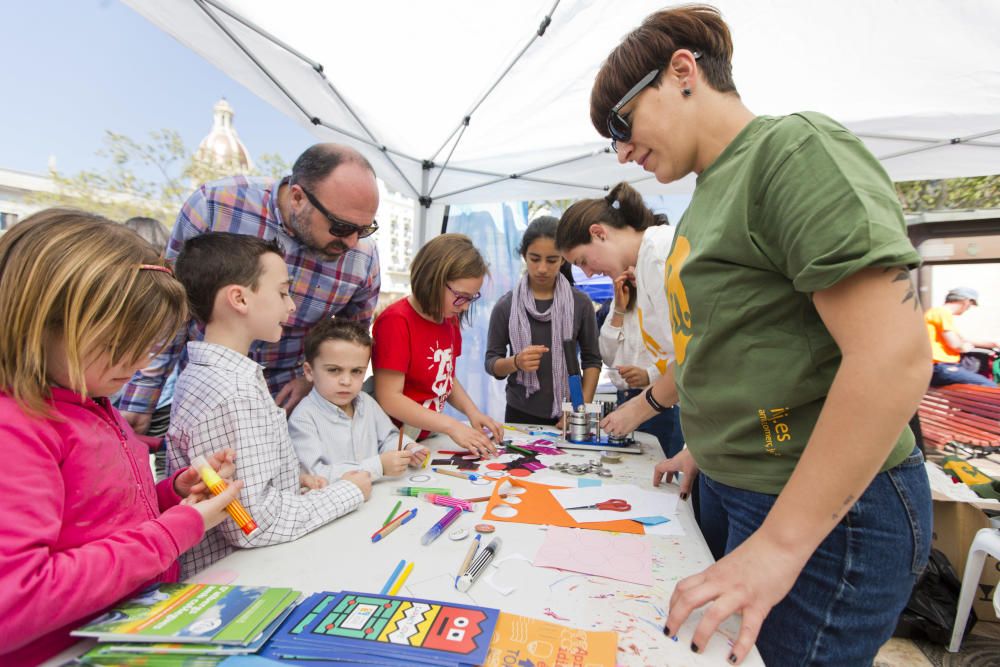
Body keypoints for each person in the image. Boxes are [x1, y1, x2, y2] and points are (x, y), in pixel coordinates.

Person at [591, 6, 932, 665]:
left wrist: (779, 546)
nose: (623, 153)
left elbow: (892, 356)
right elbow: (726, 345)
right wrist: (709, 448)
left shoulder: (791, 151)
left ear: (682, 72)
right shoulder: (707, 196)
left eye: (621, 125)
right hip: (737, 489)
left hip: (822, 515)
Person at [0, 210, 242, 665]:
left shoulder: (90, 398)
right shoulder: (17, 429)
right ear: (39, 322)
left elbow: (94, 518)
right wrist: (177, 530)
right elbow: (15, 600)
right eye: (116, 345)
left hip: (124, 633)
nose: (134, 364)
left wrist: (171, 495)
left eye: (147, 347)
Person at [119, 143, 382, 434]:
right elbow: (170, 308)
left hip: (289, 406)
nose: (352, 243)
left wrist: (310, 378)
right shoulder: (216, 205)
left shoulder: (363, 258)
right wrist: (142, 398)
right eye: (342, 227)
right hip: (208, 395)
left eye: (365, 229)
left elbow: (350, 339)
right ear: (298, 198)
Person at [166, 232, 372, 577]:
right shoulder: (233, 391)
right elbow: (255, 522)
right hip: (238, 576)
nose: (291, 306)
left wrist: (291, 480)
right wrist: (348, 492)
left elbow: (249, 483)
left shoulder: (212, 374)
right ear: (240, 299)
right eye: (282, 293)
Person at [557, 183, 679, 457]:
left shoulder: (660, 255)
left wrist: (640, 406)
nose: (588, 274)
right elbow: (611, 355)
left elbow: (695, 357)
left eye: (583, 261)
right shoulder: (642, 266)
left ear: (598, 233)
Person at [373, 233, 503, 457]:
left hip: (425, 437)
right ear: (432, 280)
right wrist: (452, 426)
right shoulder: (396, 321)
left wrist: (473, 412)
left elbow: (445, 377)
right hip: (393, 442)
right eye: (461, 296)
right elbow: (390, 398)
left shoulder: (448, 318)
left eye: (471, 298)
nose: (464, 307)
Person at [485, 216, 601, 427]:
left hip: (569, 414)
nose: (542, 268)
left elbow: (592, 360)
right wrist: (516, 362)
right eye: (535, 258)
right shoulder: (506, 306)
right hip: (519, 415)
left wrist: (579, 408)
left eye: (551, 260)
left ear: (563, 258)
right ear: (524, 256)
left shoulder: (581, 304)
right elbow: (492, 363)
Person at [289, 319, 429, 481]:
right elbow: (313, 474)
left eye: (356, 371)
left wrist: (408, 448)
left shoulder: (366, 402)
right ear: (309, 371)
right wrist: (378, 466)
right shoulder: (303, 419)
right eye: (334, 370)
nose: (346, 381)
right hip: (339, 503)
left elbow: (388, 437)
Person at [926, 287, 998, 387]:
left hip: (940, 367)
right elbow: (956, 344)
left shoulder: (936, 313)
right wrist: (964, 347)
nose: (968, 308)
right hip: (943, 367)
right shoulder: (942, 313)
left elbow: (962, 339)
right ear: (966, 301)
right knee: (991, 387)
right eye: (970, 305)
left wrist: (994, 344)